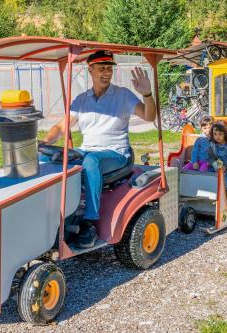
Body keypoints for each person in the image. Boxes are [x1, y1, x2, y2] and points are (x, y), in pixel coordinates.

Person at [40, 50, 156, 248]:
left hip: (116, 153)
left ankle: (90, 222)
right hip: (87, 150)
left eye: (109, 69)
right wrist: (45, 142)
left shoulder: (123, 95)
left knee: (91, 161)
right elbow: (61, 126)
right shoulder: (82, 99)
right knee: (47, 158)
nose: (106, 73)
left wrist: (147, 93)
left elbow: (149, 116)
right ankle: (48, 212)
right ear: (90, 70)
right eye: (101, 68)